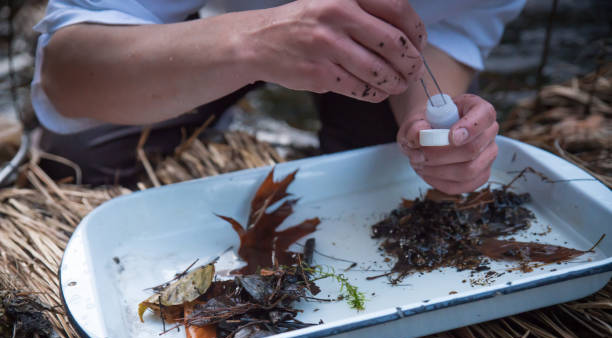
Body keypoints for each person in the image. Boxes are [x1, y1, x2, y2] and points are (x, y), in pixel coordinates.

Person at [32, 0, 525, 192]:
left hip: (382, 67)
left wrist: (430, 124)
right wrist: (255, 42)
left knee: (392, 186)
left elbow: (455, 28)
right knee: (75, 160)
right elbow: (66, 72)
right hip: (222, 22)